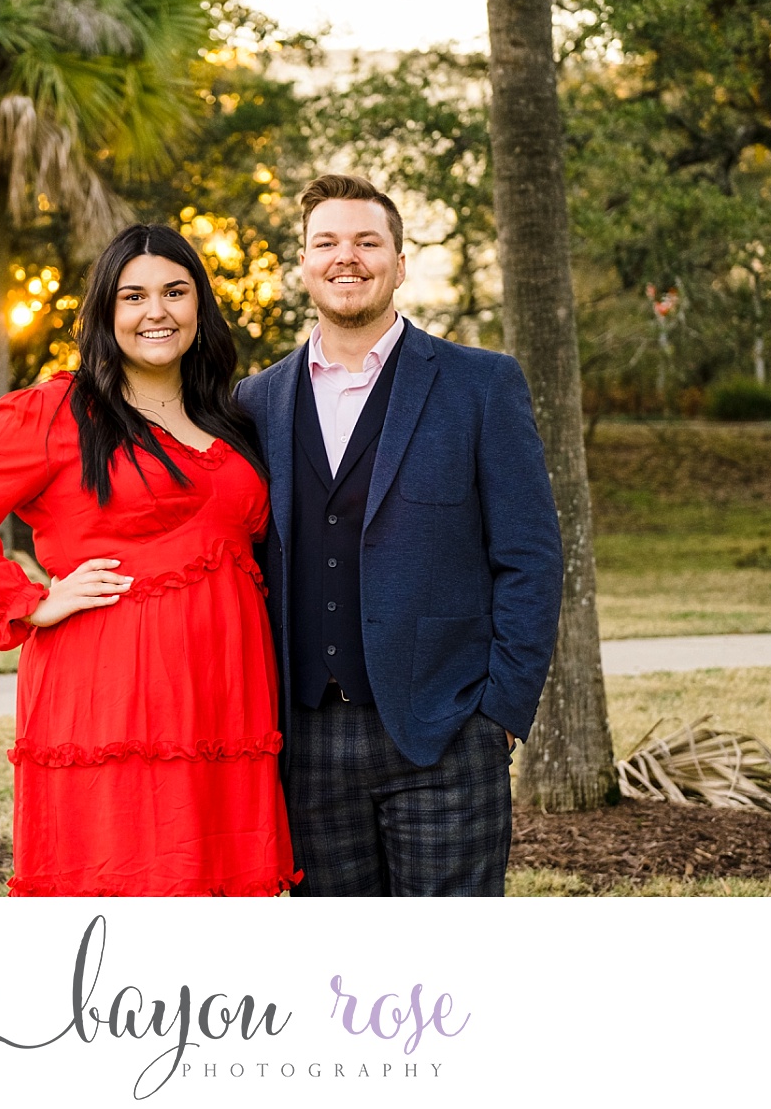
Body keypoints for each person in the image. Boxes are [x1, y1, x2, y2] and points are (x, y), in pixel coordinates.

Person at [0, 224, 300, 897]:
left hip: (226, 701)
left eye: (175, 292)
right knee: (124, 891)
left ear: (200, 306)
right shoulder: (59, 411)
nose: (157, 312)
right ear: (105, 313)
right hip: (112, 697)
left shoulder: (229, 417)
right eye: (133, 296)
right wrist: (30, 599)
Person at [234, 174, 563, 896]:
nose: (345, 258)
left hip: (445, 732)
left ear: (399, 263)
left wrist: (499, 713)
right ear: (303, 263)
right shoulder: (255, 401)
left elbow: (530, 558)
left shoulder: (481, 385)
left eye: (366, 242)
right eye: (326, 242)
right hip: (307, 741)